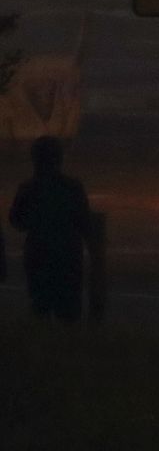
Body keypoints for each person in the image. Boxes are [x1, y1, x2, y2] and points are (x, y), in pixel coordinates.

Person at [8, 136, 91, 323]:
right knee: (69, 311)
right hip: (68, 255)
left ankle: (43, 347)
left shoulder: (28, 188)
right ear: (59, 158)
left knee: (40, 307)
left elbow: (16, 221)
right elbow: (84, 221)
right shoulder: (72, 187)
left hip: (38, 253)